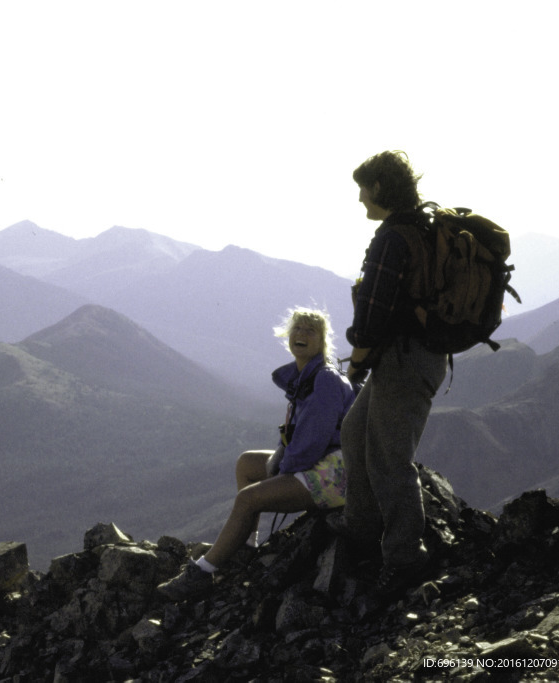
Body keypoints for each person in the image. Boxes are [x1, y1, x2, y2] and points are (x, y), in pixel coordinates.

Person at [157, 307, 356, 601]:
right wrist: (281, 463)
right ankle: (245, 548)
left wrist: (282, 468)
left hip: (335, 473)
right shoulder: (306, 377)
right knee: (247, 464)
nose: (301, 334)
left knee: (248, 498)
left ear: (322, 342)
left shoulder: (324, 380)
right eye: (297, 329)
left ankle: (203, 572)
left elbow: (313, 440)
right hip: (319, 462)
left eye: (310, 331)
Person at [332, 150, 448, 596]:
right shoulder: (422, 227)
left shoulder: (391, 239)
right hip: (411, 355)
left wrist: (356, 360)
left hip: (402, 359)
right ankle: (361, 525)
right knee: (355, 430)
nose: (360, 198)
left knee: (389, 457)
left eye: (364, 187)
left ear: (379, 188)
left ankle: (404, 556)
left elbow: (373, 317)